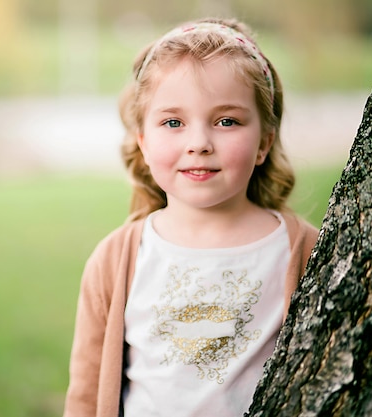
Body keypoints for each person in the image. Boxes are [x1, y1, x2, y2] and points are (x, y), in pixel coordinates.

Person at [63, 17, 319, 417]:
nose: (199, 143)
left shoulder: (302, 251)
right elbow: (86, 391)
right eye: (173, 122)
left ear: (263, 142)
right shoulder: (117, 259)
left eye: (227, 121)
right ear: (144, 143)